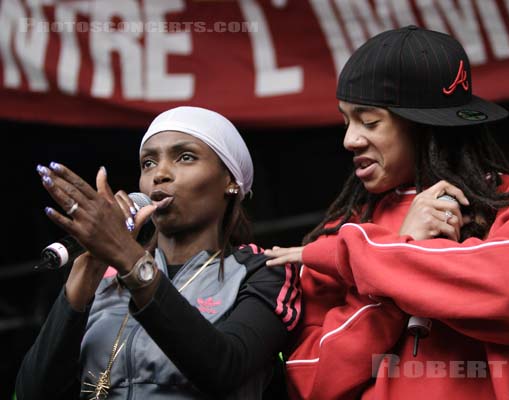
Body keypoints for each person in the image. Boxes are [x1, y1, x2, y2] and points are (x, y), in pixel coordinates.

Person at [265, 26, 509, 399]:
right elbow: (311, 381)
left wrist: (366, 259)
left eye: (369, 121)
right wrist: (400, 248)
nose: (349, 139)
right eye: (346, 120)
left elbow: (508, 298)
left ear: (424, 125)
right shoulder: (345, 231)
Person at [16, 106, 301, 399]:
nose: (159, 174)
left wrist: (129, 258)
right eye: (148, 162)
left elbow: (225, 369)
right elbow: (31, 393)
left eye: (185, 157)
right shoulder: (106, 279)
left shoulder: (265, 270)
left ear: (230, 180)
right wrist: (89, 268)